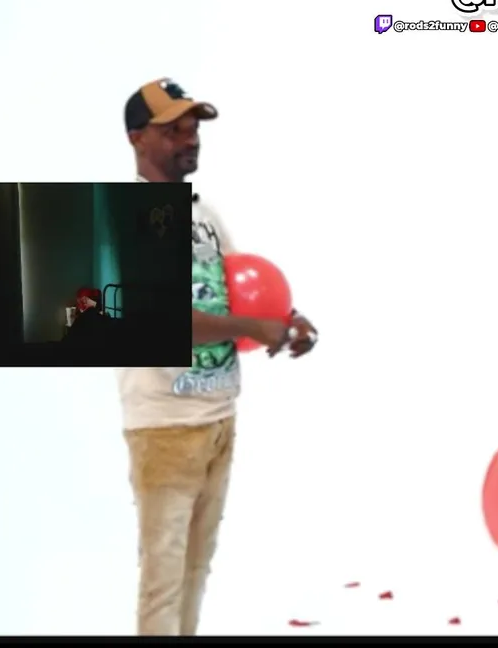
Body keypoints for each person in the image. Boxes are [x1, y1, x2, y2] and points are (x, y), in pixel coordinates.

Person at [116, 78, 322, 635]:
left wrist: (287, 318)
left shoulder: (202, 212)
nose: (190, 139)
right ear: (137, 139)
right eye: (173, 130)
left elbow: (239, 284)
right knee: (163, 581)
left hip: (217, 418)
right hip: (164, 426)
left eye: (193, 129)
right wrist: (254, 327)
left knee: (194, 571)